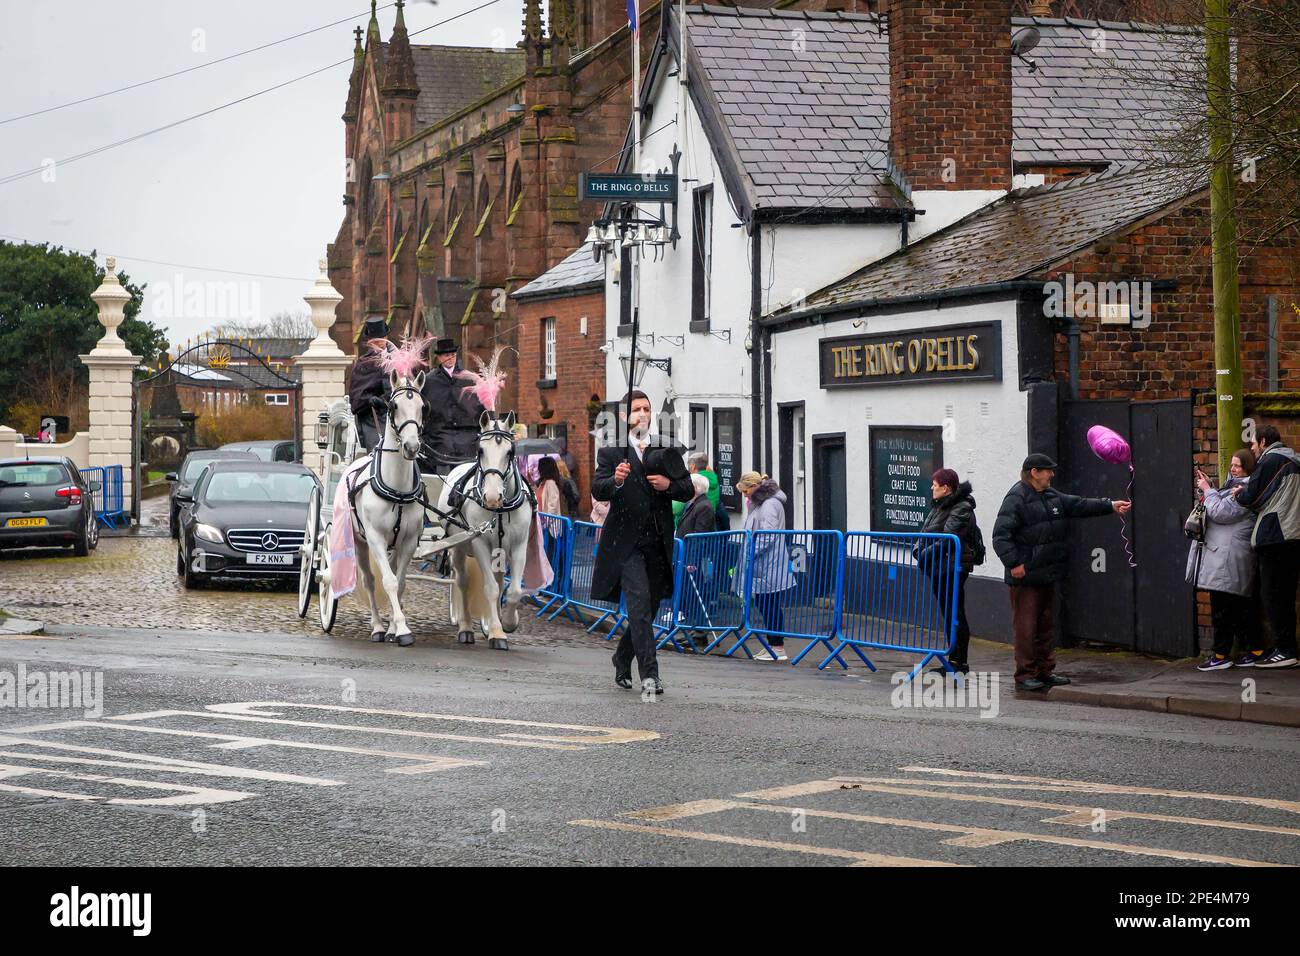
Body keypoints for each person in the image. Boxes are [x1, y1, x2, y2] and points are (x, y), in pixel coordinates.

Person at [992, 453, 1131, 691]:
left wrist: (1109, 506)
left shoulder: (1050, 495)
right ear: (1034, 472)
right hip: (1025, 577)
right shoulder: (1016, 498)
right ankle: (1025, 675)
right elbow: (1000, 536)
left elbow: (1078, 504)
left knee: (1045, 626)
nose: (1052, 474)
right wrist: (1015, 563)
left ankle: (1044, 671)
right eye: (1048, 470)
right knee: (1026, 628)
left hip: (1047, 573)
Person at [591, 390, 693, 695]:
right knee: (638, 607)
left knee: (649, 606)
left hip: (657, 542)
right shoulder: (612, 452)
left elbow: (687, 488)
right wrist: (618, 480)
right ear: (624, 417)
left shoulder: (664, 448)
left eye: (647, 409)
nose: (643, 414)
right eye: (637, 410)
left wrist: (668, 485)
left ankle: (622, 657)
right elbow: (599, 489)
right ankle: (650, 674)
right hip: (625, 544)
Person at [1232, 424, 1300, 668]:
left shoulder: (1272, 460)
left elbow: (1254, 497)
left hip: (1276, 536)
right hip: (1293, 535)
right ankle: (1287, 648)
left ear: (1262, 441)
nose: (1252, 449)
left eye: (1253, 444)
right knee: (1285, 595)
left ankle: (1285, 650)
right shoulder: (1294, 459)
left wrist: (1238, 494)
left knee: (1273, 596)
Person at [1188, 450, 1263, 670]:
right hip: (1225, 557)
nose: (1233, 469)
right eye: (1232, 464)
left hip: (1227, 559)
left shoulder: (1245, 489)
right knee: (1239, 608)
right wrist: (1210, 487)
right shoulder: (1234, 486)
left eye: (1238, 465)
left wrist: (1209, 490)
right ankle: (1254, 650)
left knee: (1223, 610)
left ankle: (1221, 656)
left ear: (1248, 467)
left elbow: (1220, 512)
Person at [917, 469, 978, 675]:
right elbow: (926, 532)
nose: (932, 488)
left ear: (946, 488)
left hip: (952, 566)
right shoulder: (940, 506)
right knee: (949, 612)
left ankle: (959, 662)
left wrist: (924, 554)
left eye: (935, 484)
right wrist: (919, 549)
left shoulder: (961, 507)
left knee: (955, 612)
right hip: (939, 566)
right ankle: (954, 660)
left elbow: (948, 538)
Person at [736, 471, 793, 662]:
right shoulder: (762, 503)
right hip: (765, 563)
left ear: (754, 487)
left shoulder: (769, 504)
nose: (744, 495)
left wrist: (751, 553)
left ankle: (777, 648)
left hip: (769, 563)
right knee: (765, 604)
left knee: (769, 605)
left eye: (745, 491)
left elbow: (768, 534)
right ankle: (773, 645)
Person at [419, 337, 487, 472]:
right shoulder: (429, 381)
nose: (450, 358)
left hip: (467, 440)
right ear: (439, 358)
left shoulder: (470, 379)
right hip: (439, 440)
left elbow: (482, 408)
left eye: (452, 355)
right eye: (446, 355)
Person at [347, 316, 393, 451]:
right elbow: (357, 399)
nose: (380, 342)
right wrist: (375, 400)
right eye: (376, 340)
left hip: (399, 413)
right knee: (379, 451)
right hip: (374, 418)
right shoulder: (364, 363)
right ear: (370, 341)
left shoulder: (398, 358)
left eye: (383, 338)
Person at [673, 452, 720, 529]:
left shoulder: (691, 481)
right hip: (707, 522)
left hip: (687, 525)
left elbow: (676, 509)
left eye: (689, 466)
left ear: (693, 466)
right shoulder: (714, 480)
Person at [676, 473, 717, 538]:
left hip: (690, 547)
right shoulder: (692, 503)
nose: (684, 488)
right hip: (684, 545)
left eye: (687, 485)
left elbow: (699, 537)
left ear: (695, 488)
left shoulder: (704, 507)